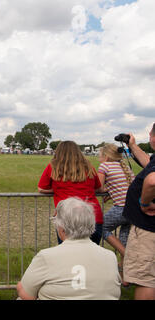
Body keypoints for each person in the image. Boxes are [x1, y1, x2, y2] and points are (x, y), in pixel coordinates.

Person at [17, 197, 121, 300]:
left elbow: (26, 294)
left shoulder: (47, 257)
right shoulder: (110, 256)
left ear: (61, 228)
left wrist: (21, 286)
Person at [38, 140, 103, 245]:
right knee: (91, 257)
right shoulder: (88, 166)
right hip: (92, 216)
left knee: (68, 257)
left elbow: (41, 188)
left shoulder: (53, 166)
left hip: (67, 218)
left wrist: (57, 189)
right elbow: (98, 188)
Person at [121, 124, 155, 300]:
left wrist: (144, 202)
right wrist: (133, 146)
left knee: (146, 280)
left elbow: (152, 180)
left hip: (148, 231)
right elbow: (149, 164)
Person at [97, 143, 134, 283]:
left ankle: (127, 255)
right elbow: (124, 187)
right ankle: (125, 280)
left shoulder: (104, 166)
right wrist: (111, 191)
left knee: (101, 227)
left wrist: (107, 190)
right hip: (133, 210)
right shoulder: (125, 167)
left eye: (100, 155)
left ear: (106, 156)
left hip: (121, 209)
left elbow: (99, 188)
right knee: (124, 239)